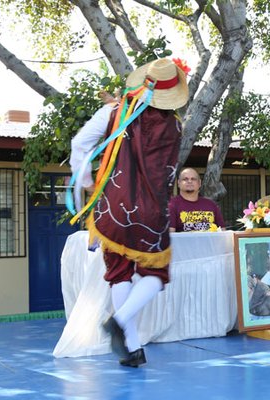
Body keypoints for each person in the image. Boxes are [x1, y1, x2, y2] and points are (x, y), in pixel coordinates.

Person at [69, 57, 189, 368]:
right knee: (155, 273)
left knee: (119, 272)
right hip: (152, 212)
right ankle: (123, 329)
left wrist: (84, 181)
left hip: (113, 208)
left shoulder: (115, 111)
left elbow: (80, 143)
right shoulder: (176, 125)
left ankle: (131, 344)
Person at [168, 168, 225, 232]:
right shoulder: (171, 205)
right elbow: (170, 235)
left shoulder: (211, 205)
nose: (189, 181)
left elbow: (222, 232)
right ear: (179, 183)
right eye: (185, 179)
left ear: (199, 183)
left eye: (193, 179)